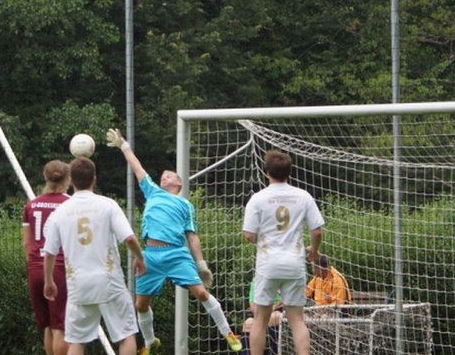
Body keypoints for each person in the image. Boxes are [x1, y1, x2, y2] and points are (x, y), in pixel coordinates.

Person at [105, 128, 243, 354]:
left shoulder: (185, 205)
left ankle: (228, 332)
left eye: (169, 175)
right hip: (150, 255)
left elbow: (192, 236)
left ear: (179, 183)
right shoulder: (152, 192)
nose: (164, 177)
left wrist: (201, 264)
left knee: (201, 293)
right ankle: (150, 342)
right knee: (140, 305)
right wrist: (124, 146)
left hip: (177, 254)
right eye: (162, 176)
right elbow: (137, 168)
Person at [41, 155, 145, 355]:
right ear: (94, 178)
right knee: (126, 336)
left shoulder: (60, 212)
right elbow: (129, 238)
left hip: (78, 285)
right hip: (109, 282)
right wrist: (140, 258)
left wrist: (49, 281)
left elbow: (50, 253)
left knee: (76, 342)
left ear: (71, 180)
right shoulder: (108, 205)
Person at [242, 150, 324, 355]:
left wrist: (265, 239)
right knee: (297, 320)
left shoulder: (258, 198)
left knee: (260, 320)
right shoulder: (303, 196)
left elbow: (249, 235)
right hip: (294, 264)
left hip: (268, 265)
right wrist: (314, 250)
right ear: (289, 171)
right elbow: (317, 231)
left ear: (267, 172)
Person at [22, 160, 71, 355]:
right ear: (67, 179)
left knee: (48, 325)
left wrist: (33, 266)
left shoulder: (31, 205)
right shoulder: (69, 204)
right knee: (61, 325)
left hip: (36, 268)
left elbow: (26, 243)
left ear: (45, 177)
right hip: (59, 268)